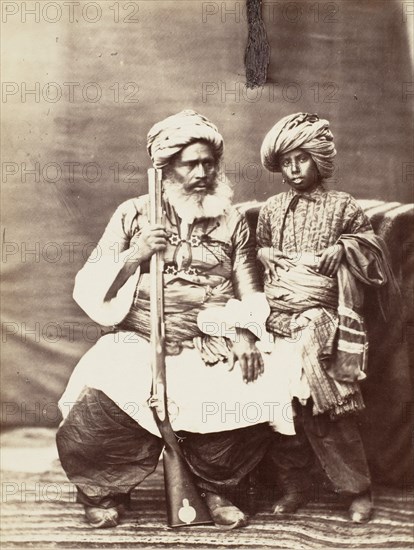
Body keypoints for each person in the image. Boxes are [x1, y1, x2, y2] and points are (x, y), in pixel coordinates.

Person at [56, 110, 294, 530]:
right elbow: (90, 283)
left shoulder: (232, 220)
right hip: (142, 337)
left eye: (209, 163)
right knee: (106, 396)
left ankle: (218, 490)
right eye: (191, 164)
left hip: (213, 336)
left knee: (258, 380)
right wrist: (136, 255)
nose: (203, 172)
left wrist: (243, 331)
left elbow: (249, 289)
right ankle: (102, 490)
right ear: (166, 168)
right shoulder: (132, 214)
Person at [257, 112, 399, 523]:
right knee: (283, 409)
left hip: (322, 321)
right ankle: (294, 486)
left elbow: (372, 252)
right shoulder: (272, 208)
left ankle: (357, 490)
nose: (294, 168)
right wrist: (264, 252)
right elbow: (262, 254)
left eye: (301, 159)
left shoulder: (343, 205)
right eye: (286, 161)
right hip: (279, 320)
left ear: (319, 159)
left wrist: (347, 246)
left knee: (330, 407)